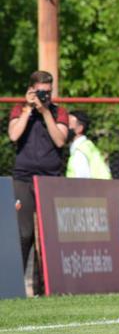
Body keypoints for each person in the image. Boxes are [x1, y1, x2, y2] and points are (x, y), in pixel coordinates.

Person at [6, 70, 69, 293]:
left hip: (49, 180)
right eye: (41, 92)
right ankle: (12, 285)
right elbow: (13, 136)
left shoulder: (58, 112)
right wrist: (28, 109)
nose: (45, 96)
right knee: (23, 234)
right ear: (32, 90)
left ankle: (42, 288)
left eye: (49, 92)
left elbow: (60, 140)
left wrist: (44, 113)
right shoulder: (19, 109)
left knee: (46, 237)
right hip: (23, 178)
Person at [66, 110, 111, 179]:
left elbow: (81, 183)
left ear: (79, 129)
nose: (65, 128)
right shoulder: (87, 147)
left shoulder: (80, 152)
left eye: (68, 124)